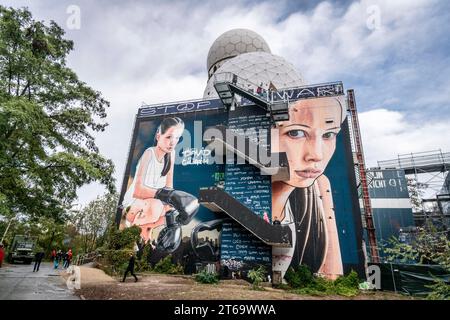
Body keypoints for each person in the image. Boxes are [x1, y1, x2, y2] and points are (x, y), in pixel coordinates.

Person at [271, 96, 346, 280]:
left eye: (328, 135)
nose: (316, 155)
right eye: (296, 133)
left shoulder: (320, 184)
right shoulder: (249, 188)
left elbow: (332, 275)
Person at [119, 117, 199, 250]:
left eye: (177, 138)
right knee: (157, 205)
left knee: (174, 214)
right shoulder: (149, 153)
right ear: (158, 136)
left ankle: (145, 238)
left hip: (151, 206)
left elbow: (169, 186)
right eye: (169, 137)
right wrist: (166, 195)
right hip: (135, 203)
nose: (173, 142)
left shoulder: (171, 154)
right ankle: (135, 230)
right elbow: (137, 191)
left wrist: (173, 221)